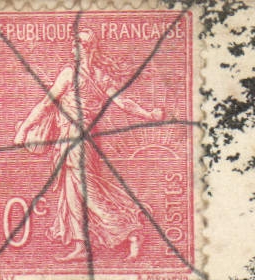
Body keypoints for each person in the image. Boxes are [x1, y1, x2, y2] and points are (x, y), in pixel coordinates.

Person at [13, 27, 166, 262]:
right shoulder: (92, 76)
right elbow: (122, 102)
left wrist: (24, 129)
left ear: (86, 49)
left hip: (78, 141)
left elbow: (47, 104)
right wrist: (150, 114)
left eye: (79, 44)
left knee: (88, 192)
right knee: (73, 193)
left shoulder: (77, 75)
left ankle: (132, 232)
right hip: (74, 141)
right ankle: (80, 245)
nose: (74, 47)